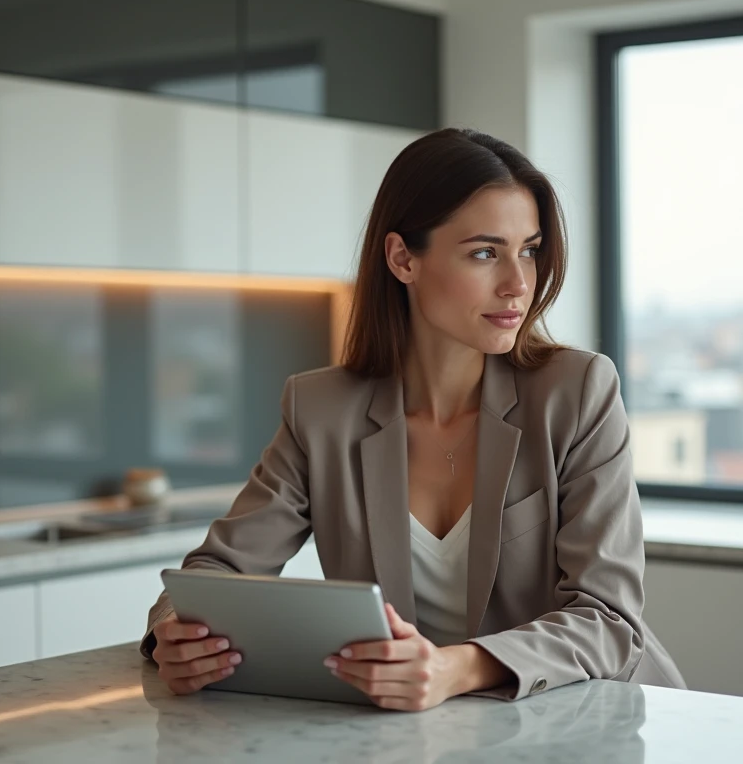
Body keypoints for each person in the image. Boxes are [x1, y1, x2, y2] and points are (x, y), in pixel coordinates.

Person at [139, 128, 686, 711]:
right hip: (421, 735)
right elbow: (217, 570)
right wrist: (175, 633)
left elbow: (608, 619)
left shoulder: (576, 392)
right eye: (484, 252)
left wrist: (457, 667)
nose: (519, 283)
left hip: (591, 723)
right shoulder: (321, 410)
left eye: (528, 249)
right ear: (403, 258)